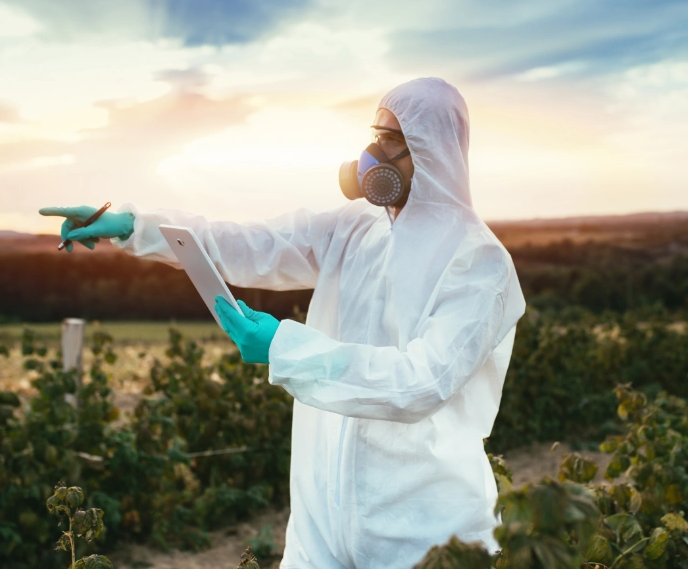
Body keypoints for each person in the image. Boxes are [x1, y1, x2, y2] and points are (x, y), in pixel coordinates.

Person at [39, 77, 525, 568]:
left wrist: (284, 348)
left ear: (433, 149)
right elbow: (250, 243)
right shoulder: (356, 229)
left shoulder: (477, 262)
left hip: (426, 535)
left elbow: (420, 384)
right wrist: (134, 227)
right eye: (375, 134)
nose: (372, 152)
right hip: (321, 530)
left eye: (391, 139)